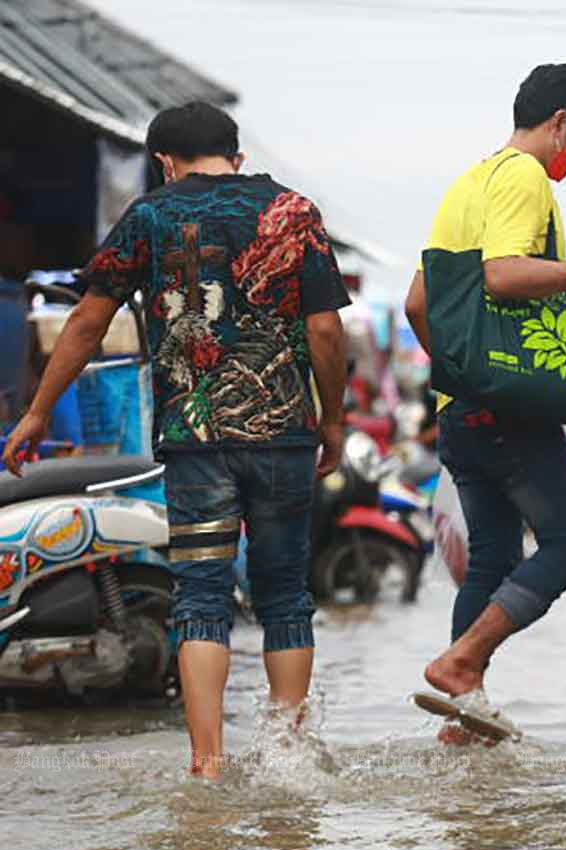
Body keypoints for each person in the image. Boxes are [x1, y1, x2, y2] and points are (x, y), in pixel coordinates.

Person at [2, 102, 350, 779]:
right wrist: (331, 418)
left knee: (201, 595)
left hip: (194, 440)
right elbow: (327, 331)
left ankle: (207, 762)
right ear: (236, 156)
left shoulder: (152, 216)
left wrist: (39, 412)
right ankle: (288, 755)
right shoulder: (294, 212)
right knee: (284, 596)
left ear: (164, 161)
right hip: (281, 436)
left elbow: (85, 323)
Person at [403, 64, 566, 742]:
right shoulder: (523, 178)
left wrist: (459, 375)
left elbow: (419, 302)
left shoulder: (465, 184)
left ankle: (464, 716)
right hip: (510, 411)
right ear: (560, 121)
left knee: (494, 557)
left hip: (462, 411)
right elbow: (504, 276)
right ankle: (460, 661)